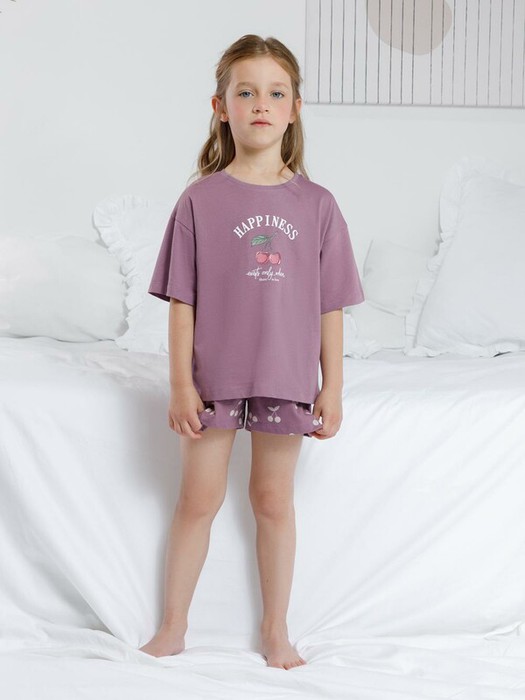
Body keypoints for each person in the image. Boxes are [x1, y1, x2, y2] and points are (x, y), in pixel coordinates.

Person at [139, 34, 364, 670]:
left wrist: (332, 386)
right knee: (198, 500)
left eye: (275, 92)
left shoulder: (318, 205)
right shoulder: (199, 200)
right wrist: (180, 383)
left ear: (294, 109)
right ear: (221, 107)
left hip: (286, 376)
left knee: (272, 501)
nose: (261, 103)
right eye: (246, 92)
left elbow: (330, 305)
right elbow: (182, 301)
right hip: (214, 377)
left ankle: (276, 631)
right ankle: (173, 627)